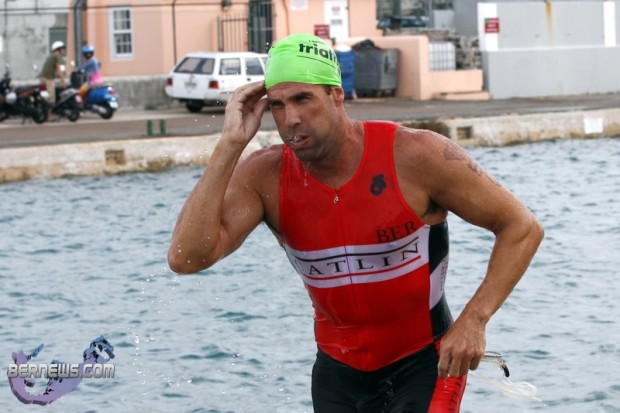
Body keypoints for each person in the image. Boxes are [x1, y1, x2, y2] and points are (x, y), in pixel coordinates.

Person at [168, 33, 544, 412]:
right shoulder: (265, 175)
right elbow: (186, 258)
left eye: (303, 99)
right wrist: (230, 145)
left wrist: (474, 320)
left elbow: (522, 227)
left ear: (336, 95)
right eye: (278, 105)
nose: (291, 118)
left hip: (425, 363)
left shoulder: (416, 155)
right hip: (337, 375)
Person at [39, 41, 67, 122]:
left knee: (45, 97)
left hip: (44, 78)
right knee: (51, 98)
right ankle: (49, 116)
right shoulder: (56, 56)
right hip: (48, 79)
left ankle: (46, 115)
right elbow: (59, 70)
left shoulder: (51, 56)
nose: (63, 50)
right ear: (58, 49)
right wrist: (63, 81)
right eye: (62, 48)